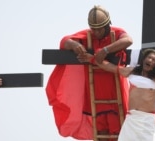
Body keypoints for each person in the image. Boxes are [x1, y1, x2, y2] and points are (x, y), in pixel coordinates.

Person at [46, 5, 133, 140]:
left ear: (108, 25)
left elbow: (128, 40)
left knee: (118, 131)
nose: (96, 32)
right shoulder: (88, 35)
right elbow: (64, 41)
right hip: (95, 92)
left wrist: (105, 51)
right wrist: (75, 45)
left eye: (100, 29)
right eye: (94, 29)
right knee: (101, 132)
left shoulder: (117, 33)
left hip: (116, 94)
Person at [79, 48, 155, 141]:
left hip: (147, 121)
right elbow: (110, 67)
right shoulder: (131, 71)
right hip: (131, 119)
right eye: (149, 57)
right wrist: (93, 59)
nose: (150, 60)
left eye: (153, 60)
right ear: (144, 59)